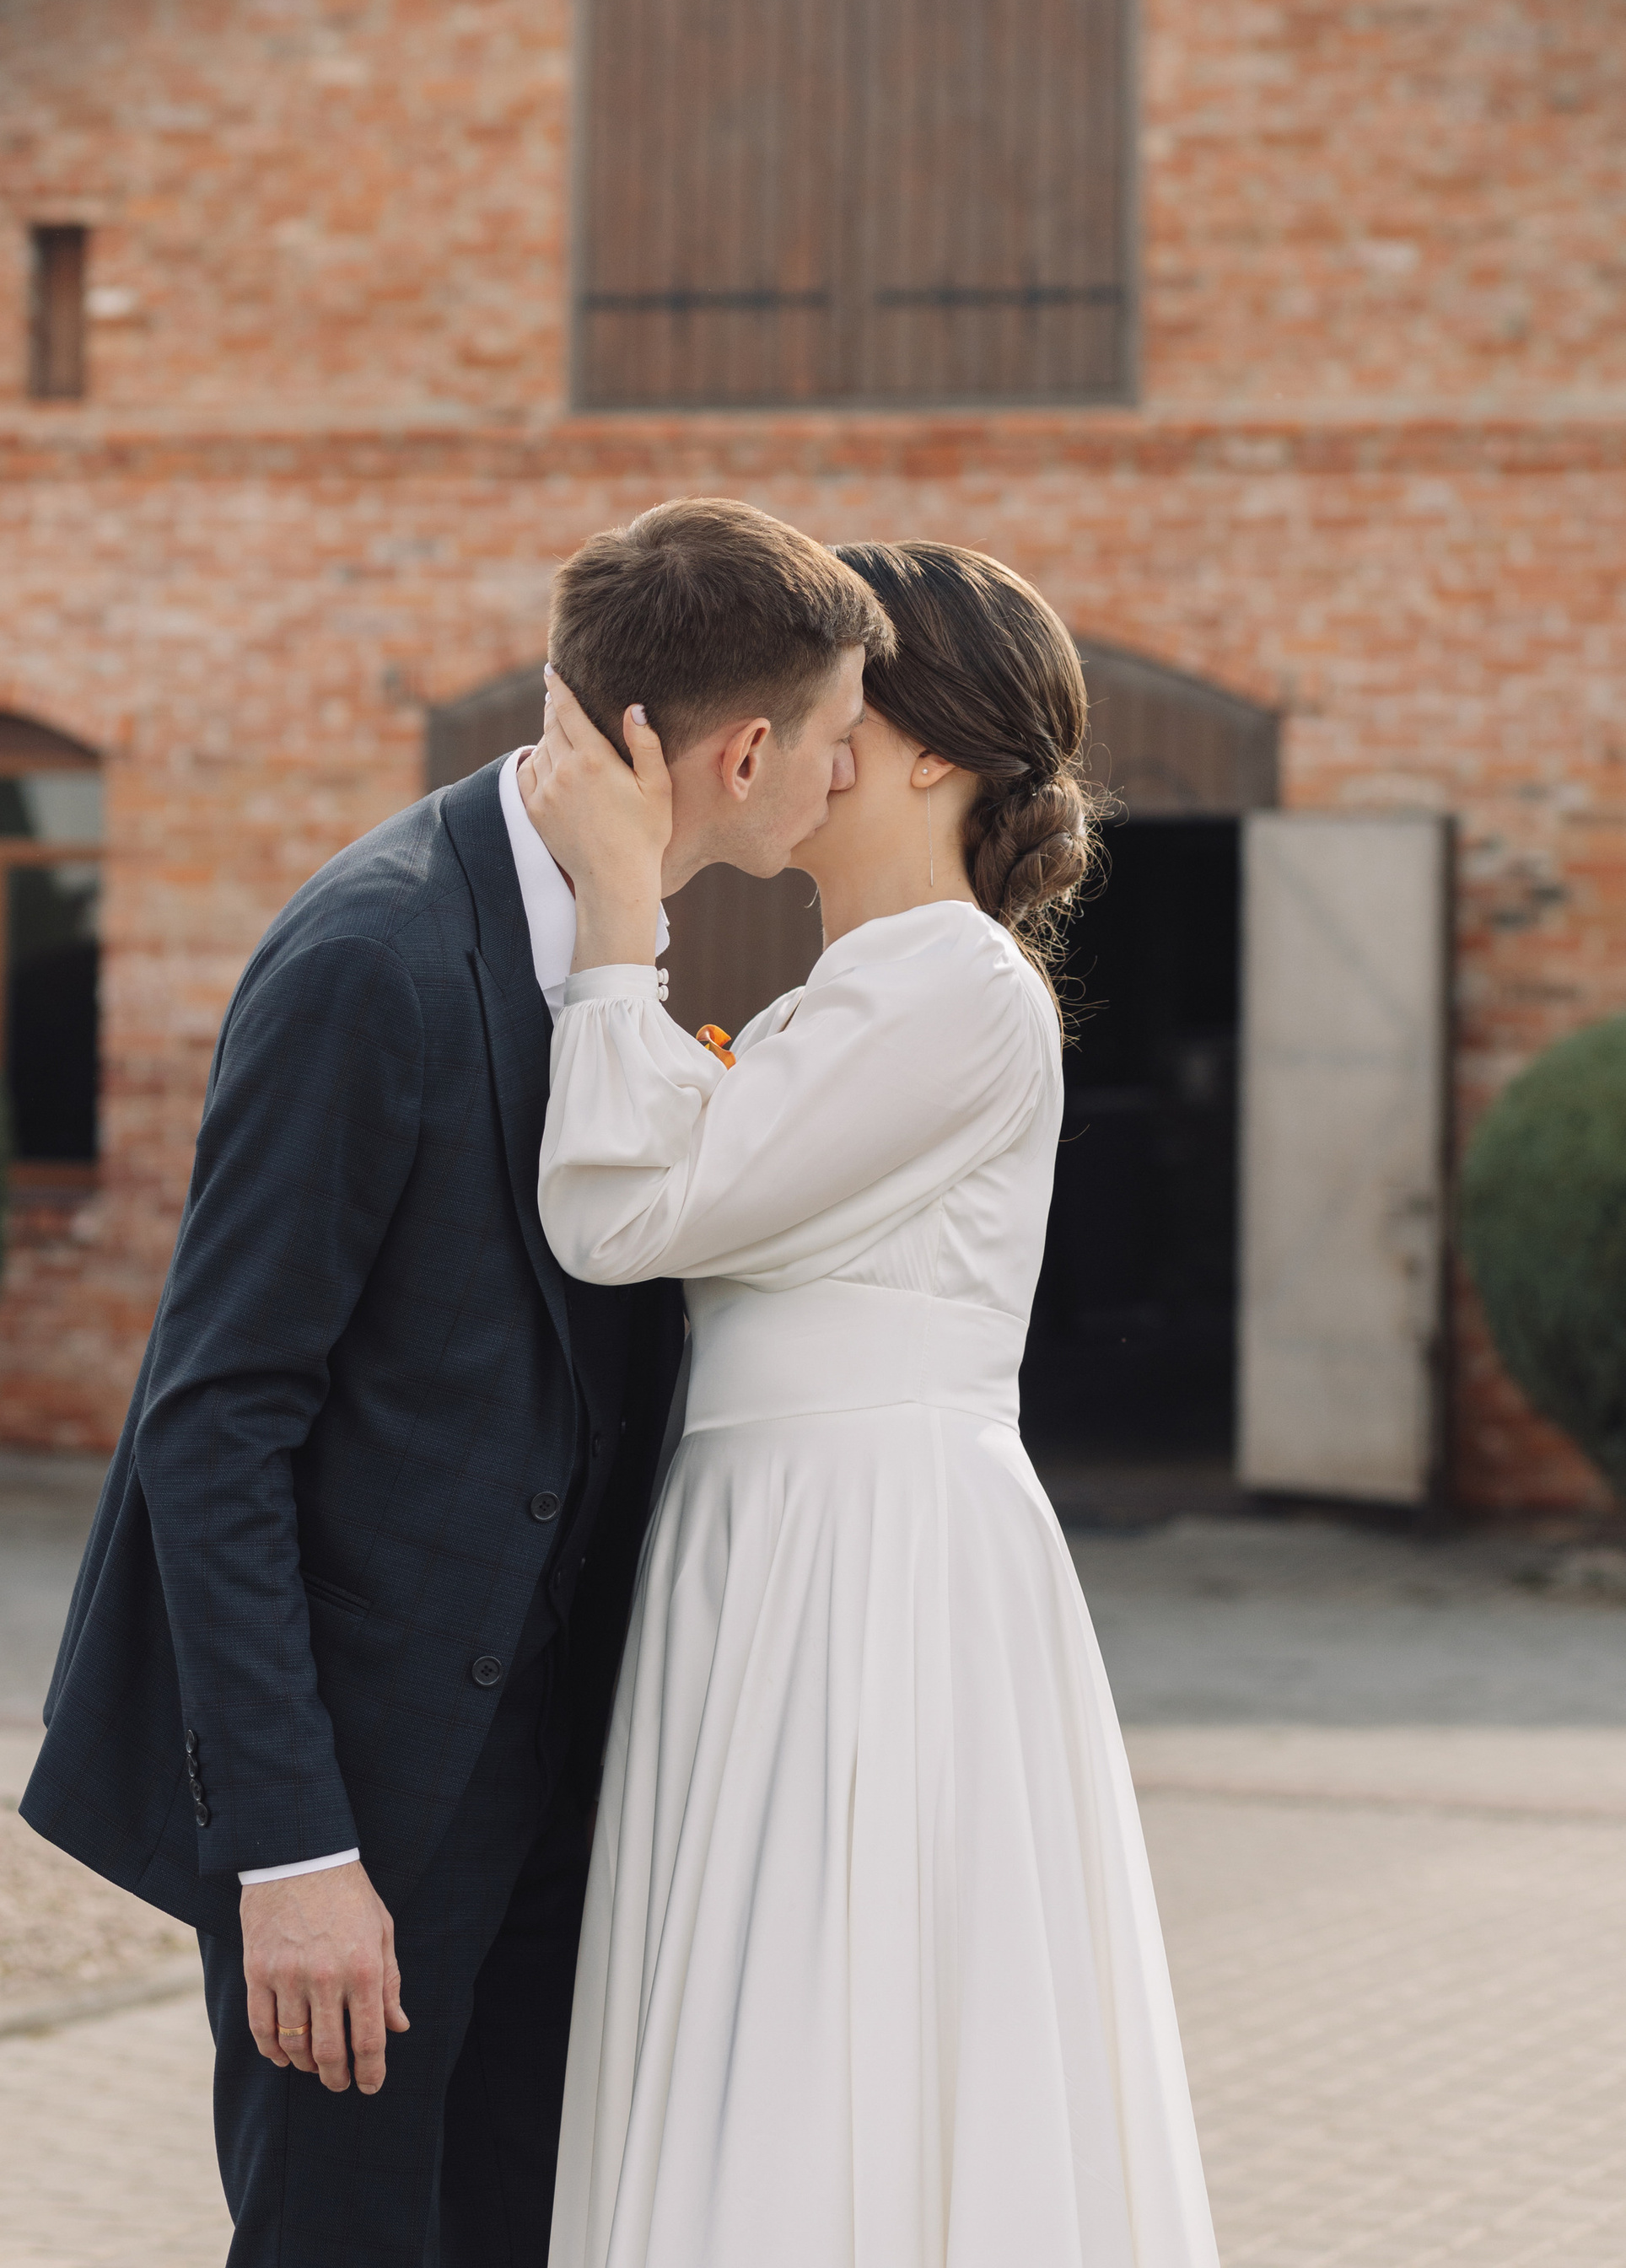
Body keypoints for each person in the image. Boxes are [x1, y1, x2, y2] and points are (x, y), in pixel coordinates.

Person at [20, 498, 891, 2267]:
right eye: (834, 736)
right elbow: (213, 1418)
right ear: (742, 755)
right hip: (365, 1807)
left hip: (564, 1787)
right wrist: (291, 1855)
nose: (846, 772)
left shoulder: (638, 946)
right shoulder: (375, 955)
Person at [521, 540, 1221, 2268]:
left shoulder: (957, 990)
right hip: (762, 1537)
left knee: (848, 2003)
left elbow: (625, 1215)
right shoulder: (837, 998)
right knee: (762, 2000)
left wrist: (618, 911)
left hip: (870, 1553)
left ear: (934, 754)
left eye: (845, 704)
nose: (803, 735)